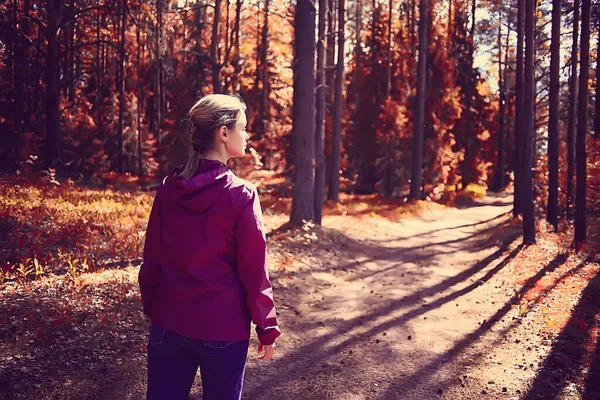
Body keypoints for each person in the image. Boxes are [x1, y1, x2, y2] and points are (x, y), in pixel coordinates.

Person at [138, 94, 281, 400]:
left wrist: (156, 309)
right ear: (224, 133)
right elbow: (253, 269)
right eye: (243, 127)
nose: (247, 134)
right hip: (223, 328)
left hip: (168, 323)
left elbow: (152, 258)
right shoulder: (241, 194)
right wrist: (266, 326)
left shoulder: (168, 186)